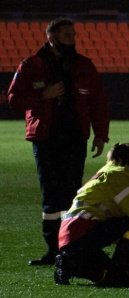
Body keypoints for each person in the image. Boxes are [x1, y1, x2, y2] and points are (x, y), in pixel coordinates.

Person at [7, 17, 110, 266]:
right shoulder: (31, 65)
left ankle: (69, 247)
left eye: (74, 35)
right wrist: (43, 94)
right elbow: (13, 99)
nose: (73, 39)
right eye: (67, 36)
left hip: (75, 137)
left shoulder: (84, 65)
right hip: (46, 138)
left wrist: (100, 134)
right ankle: (54, 250)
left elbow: (97, 102)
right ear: (51, 38)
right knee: (51, 194)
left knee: (72, 193)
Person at [54, 143, 129, 286]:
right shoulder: (118, 175)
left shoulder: (108, 172)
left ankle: (69, 263)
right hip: (82, 232)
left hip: (73, 234)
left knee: (107, 276)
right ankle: (115, 269)